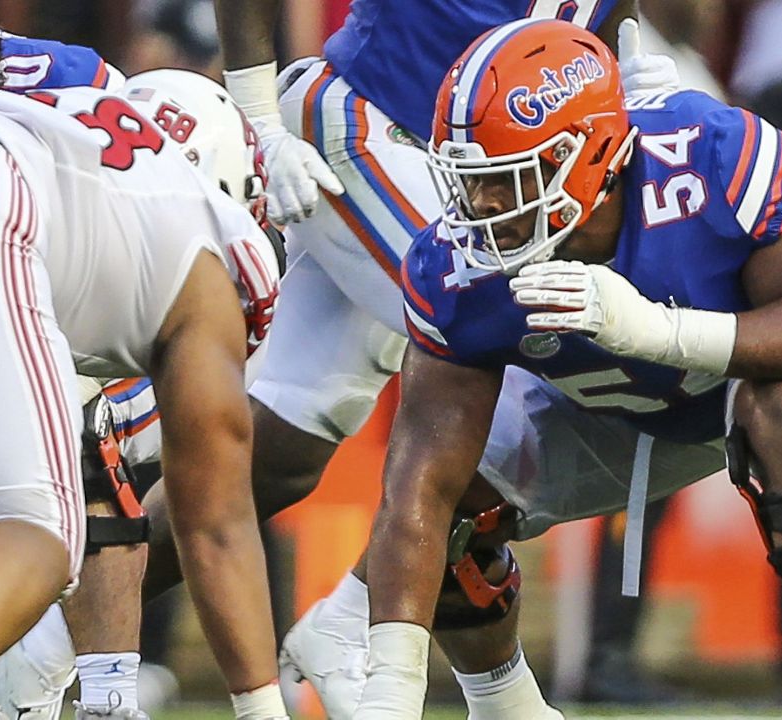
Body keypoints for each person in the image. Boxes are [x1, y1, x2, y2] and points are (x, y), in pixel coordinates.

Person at [349, 18, 782, 719]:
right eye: (471, 181)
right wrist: (389, 690)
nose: (485, 208)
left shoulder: (708, 156)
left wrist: (657, 330)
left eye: (508, 178)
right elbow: (419, 488)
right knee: (456, 505)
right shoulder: (454, 266)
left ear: (592, 154)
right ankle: (507, 708)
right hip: (640, 402)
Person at [137, 2, 676, 716]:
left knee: (283, 448)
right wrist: (259, 120)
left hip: (477, 186)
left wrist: (630, 82)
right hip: (363, 125)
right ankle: (439, 666)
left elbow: (606, 26)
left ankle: (47, 626)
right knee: (527, 370)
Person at [0, 66, 284, 719]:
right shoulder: (219, 257)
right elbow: (216, 523)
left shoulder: (88, 134)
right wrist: (263, 709)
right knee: (35, 530)